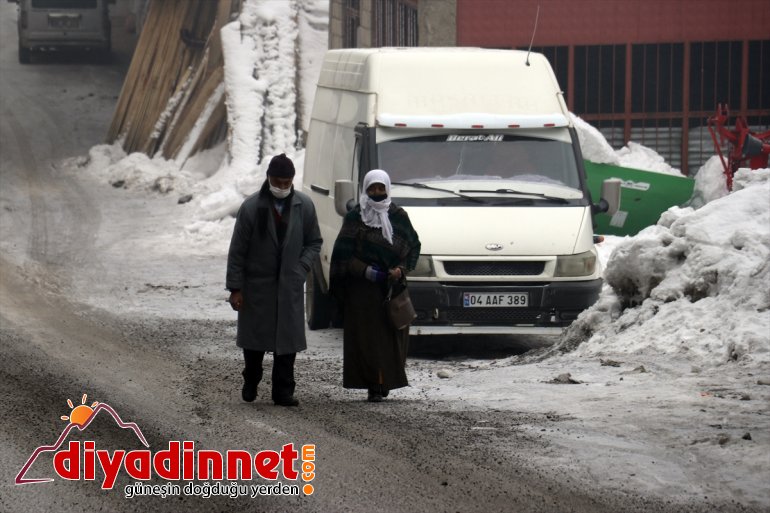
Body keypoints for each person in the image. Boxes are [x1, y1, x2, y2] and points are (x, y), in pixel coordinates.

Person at [226, 153, 322, 407]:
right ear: (268, 178)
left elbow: (314, 242)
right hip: (257, 286)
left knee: (287, 343)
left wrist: (301, 268)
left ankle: (283, 391)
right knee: (255, 341)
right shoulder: (251, 207)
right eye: (277, 182)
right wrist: (236, 288)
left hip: (289, 285)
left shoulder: (304, 205)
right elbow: (237, 251)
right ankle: (251, 380)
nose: (281, 187)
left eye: (286, 182)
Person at [330, 169, 421, 402]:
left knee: (391, 339)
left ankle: (387, 380)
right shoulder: (355, 217)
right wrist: (366, 271)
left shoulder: (398, 216)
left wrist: (400, 270)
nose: (377, 193)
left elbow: (413, 246)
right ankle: (373, 384)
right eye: (373, 189)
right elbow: (342, 255)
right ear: (366, 189)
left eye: (381, 188)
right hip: (363, 292)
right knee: (367, 340)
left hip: (392, 289)